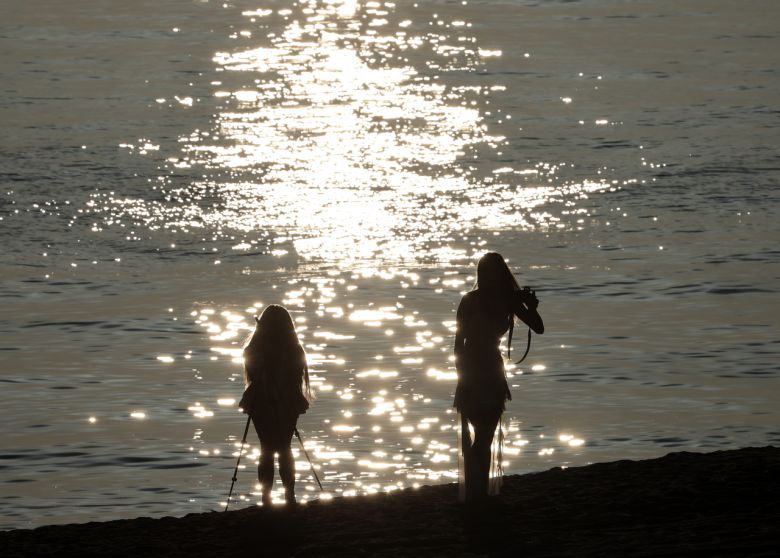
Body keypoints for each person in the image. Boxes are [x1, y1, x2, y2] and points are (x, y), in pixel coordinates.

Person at [454, 252, 544, 503]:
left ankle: (476, 491)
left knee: (481, 436)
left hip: (475, 369)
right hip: (485, 371)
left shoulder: (472, 300)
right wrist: (528, 307)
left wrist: (462, 377)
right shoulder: (505, 300)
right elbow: (538, 326)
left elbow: (458, 346)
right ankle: (477, 492)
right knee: (484, 436)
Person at [238, 304, 311, 506]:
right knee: (284, 448)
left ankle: (267, 497)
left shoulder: (255, 348)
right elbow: (295, 376)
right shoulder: (293, 349)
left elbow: (252, 372)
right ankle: (289, 495)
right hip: (286, 400)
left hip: (260, 402)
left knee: (267, 449)